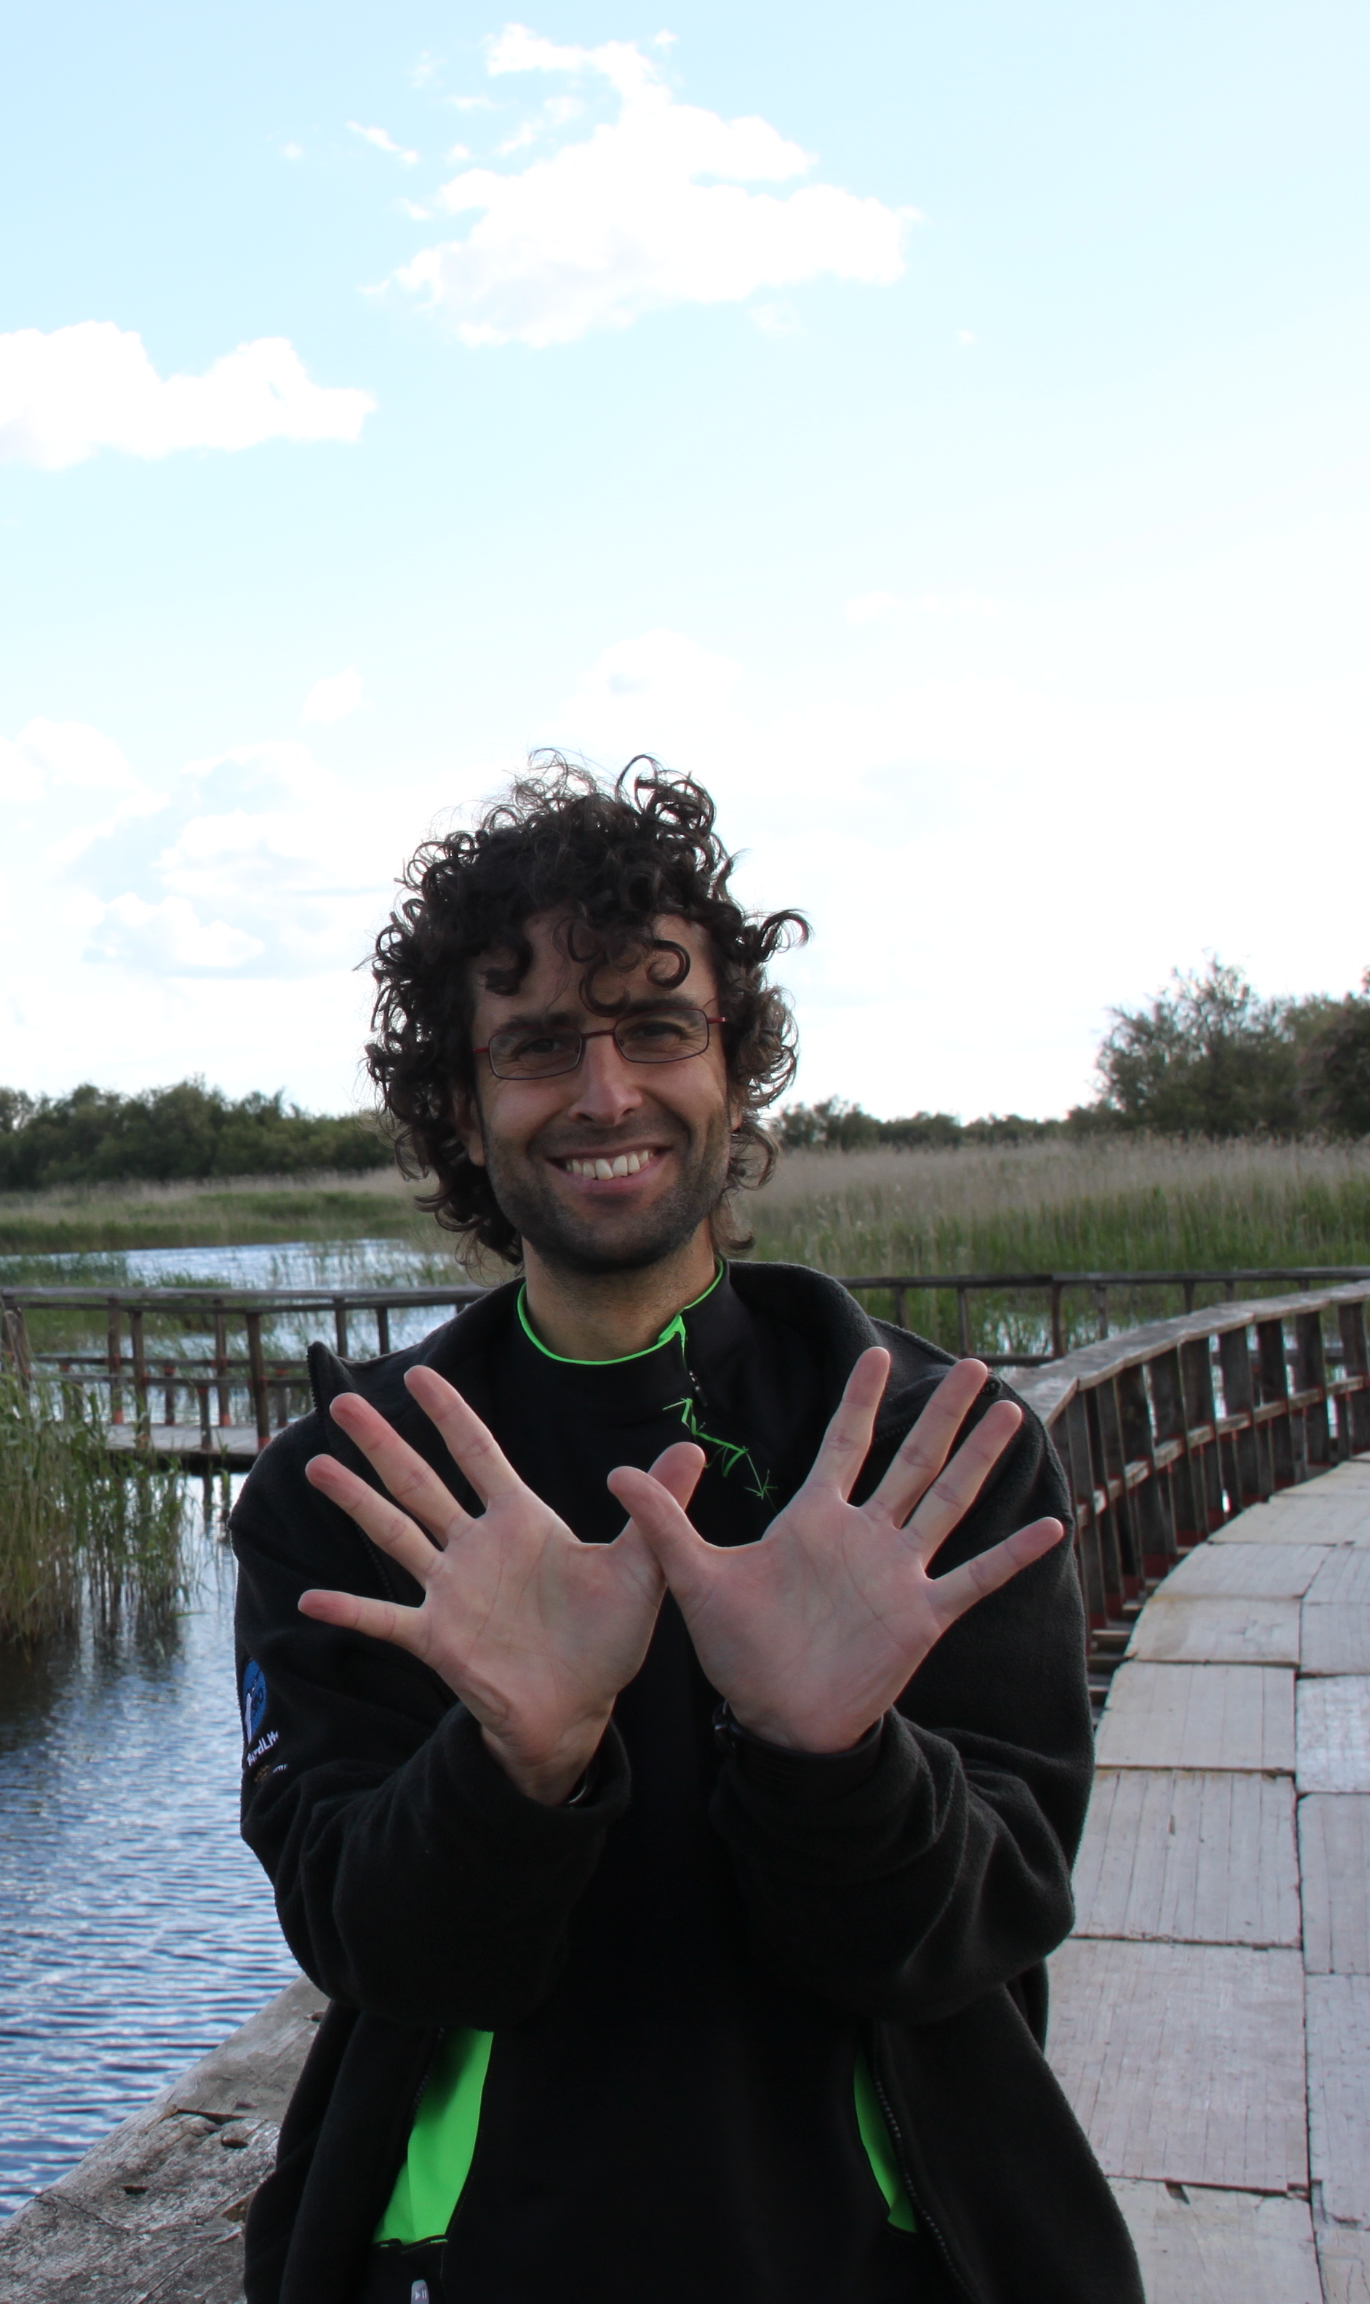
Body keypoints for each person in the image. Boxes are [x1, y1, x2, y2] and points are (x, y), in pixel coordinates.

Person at [231, 761, 1137, 2304]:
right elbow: (370, 1945)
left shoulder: (935, 1454)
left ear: (737, 1066)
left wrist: (831, 1759)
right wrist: (515, 1762)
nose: (603, 1095)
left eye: (657, 1028)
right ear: (460, 1101)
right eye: (533, 1048)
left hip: (891, 2265)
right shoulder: (352, 1485)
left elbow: (977, 1932)